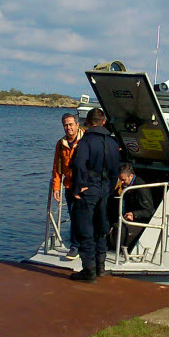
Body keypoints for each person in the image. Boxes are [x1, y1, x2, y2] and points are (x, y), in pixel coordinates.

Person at [69, 108, 120, 283]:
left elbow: (79, 165)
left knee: (86, 229)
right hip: (105, 189)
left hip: (89, 189)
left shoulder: (86, 142)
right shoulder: (113, 143)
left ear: (88, 123)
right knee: (101, 228)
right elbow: (115, 170)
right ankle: (101, 267)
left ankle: (89, 271)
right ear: (103, 121)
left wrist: (78, 188)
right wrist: (110, 188)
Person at [50, 113, 83, 260]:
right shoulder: (60, 144)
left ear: (77, 124)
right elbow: (57, 167)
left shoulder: (87, 139)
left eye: (70, 124)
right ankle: (75, 246)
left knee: (86, 216)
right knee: (73, 215)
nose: (68, 128)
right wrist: (56, 187)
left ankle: (85, 244)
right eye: (65, 125)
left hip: (85, 187)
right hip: (69, 186)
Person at [111, 163, 154, 250]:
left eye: (123, 180)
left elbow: (149, 211)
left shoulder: (141, 188)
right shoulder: (127, 185)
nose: (121, 182)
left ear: (131, 176)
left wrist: (134, 214)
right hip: (126, 215)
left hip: (139, 220)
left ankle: (119, 250)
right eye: (120, 179)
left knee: (119, 229)